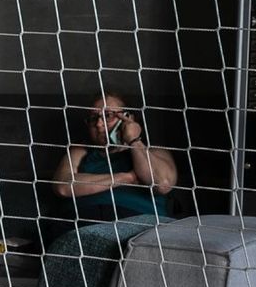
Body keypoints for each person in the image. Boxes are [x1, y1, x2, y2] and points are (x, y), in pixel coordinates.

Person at [51, 93, 177, 222]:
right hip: (83, 220)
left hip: (138, 221)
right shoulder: (80, 151)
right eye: (93, 118)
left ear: (128, 118)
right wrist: (128, 177)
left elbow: (162, 184)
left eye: (108, 115)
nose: (99, 124)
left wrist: (133, 140)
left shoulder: (154, 152)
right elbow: (63, 187)